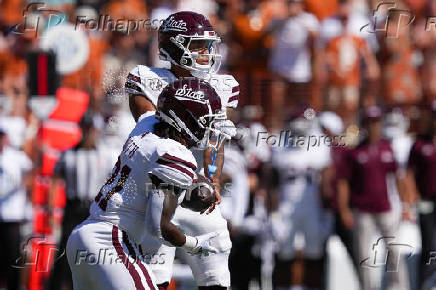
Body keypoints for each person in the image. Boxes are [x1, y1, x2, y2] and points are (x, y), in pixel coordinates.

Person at [66, 78, 226, 290]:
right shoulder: (176, 154)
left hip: (83, 234)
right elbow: (158, 227)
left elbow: (138, 95)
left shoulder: (147, 123)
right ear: (184, 119)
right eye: (204, 121)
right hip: (111, 242)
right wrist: (196, 245)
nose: (208, 128)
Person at [125, 11, 239, 289]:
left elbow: (216, 141)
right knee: (155, 274)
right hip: (158, 188)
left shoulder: (223, 86)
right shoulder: (147, 78)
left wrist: (211, 180)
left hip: (198, 187)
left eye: (208, 46)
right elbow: (153, 131)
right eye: (198, 45)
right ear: (174, 45)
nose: (206, 53)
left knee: (217, 264)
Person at [337, 106, 411, 290]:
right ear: (364, 125)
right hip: (362, 210)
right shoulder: (354, 152)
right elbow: (343, 182)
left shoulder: (387, 148)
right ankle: (366, 287)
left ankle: (398, 287)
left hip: (385, 208)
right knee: (363, 255)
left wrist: (406, 204)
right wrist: (345, 210)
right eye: (370, 123)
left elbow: (399, 177)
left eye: (376, 123)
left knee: (394, 250)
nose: (374, 127)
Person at [270, 108, 331, 290]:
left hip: (313, 206)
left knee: (314, 251)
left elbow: (327, 181)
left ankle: (314, 286)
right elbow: (272, 181)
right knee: (284, 251)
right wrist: (273, 212)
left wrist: (327, 211)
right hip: (286, 206)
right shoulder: (280, 144)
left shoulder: (320, 145)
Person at [48, 112, 108, 290]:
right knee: (66, 250)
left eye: (91, 129)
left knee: (94, 250)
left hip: (93, 209)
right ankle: (59, 285)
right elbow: (54, 180)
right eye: (85, 128)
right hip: (73, 207)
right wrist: (51, 210)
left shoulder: (104, 155)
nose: (88, 133)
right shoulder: (68, 155)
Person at [406, 101, 436, 289]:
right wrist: (412, 197)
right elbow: (409, 173)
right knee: (428, 243)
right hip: (427, 198)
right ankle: (424, 283)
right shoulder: (419, 143)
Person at [0, 128, 33, 290]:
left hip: (12, 214)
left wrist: (21, 183)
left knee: (13, 256)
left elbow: (31, 170)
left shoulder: (15, 156)